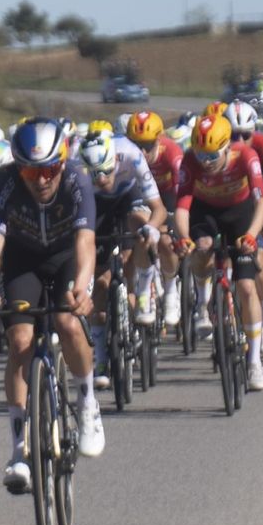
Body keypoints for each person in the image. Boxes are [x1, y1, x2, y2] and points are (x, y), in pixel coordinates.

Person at [0, 117, 103, 495]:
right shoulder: (4, 182)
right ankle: (19, 448)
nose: (42, 179)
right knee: (19, 340)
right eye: (32, 171)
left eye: (50, 169)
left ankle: (87, 402)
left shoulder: (78, 180)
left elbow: (85, 242)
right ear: (18, 167)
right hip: (23, 259)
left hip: (66, 257)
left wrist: (81, 288)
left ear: (62, 163)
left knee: (66, 322)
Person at [172, 114, 263, 390]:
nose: (206, 162)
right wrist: (183, 238)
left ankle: (254, 361)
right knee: (201, 249)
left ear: (227, 147)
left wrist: (251, 235)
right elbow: (182, 208)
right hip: (207, 213)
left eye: (212, 156)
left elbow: (261, 202)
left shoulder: (246, 156)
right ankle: (204, 304)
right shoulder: (191, 161)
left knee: (247, 287)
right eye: (201, 155)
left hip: (240, 214)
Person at [78, 128, 159, 389]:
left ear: (115, 159)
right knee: (100, 284)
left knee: (141, 228)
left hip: (127, 197)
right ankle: (100, 357)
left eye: (106, 170)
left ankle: (144, 293)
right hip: (95, 206)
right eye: (95, 173)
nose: (101, 178)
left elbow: (157, 208)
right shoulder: (75, 167)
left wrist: (151, 230)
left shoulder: (132, 155)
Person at [224, 101, 263, 358]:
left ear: (254, 133)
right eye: (233, 135)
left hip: (256, 207)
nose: (239, 140)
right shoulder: (218, 148)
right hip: (228, 205)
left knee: (258, 258)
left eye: (245, 135)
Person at [125, 110, 185, 327]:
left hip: (168, 198)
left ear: (159, 140)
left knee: (168, 244)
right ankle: (143, 293)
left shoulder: (173, 153)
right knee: (142, 235)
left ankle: (170, 291)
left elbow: (182, 192)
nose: (141, 151)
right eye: (135, 144)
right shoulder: (127, 156)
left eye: (148, 145)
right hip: (142, 200)